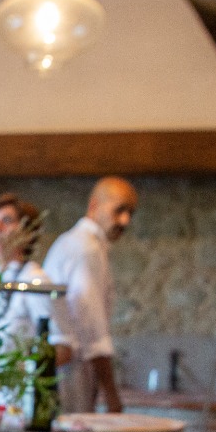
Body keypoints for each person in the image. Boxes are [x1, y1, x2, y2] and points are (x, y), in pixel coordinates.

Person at [41, 175, 138, 413]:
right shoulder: (87, 249)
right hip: (70, 373)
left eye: (130, 213)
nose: (125, 220)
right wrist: (112, 395)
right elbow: (92, 328)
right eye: (119, 210)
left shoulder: (74, 242)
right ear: (94, 205)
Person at [0, 193, 71, 359]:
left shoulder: (35, 281)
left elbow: (62, 346)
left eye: (6, 220)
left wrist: (25, 367)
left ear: (28, 232)